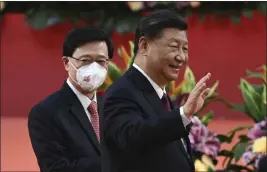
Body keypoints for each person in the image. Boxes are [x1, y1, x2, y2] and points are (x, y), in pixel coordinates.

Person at [100, 9, 211, 172]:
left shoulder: (162, 96)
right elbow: (134, 137)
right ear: (145, 46)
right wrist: (183, 114)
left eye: (185, 49)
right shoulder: (121, 93)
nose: (181, 57)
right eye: (174, 47)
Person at [28, 26, 113, 172]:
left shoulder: (113, 106)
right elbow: (55, 168)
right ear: (67, 63)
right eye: (85, 60)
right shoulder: (46, 113)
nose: (93, 68)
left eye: (100, 61)